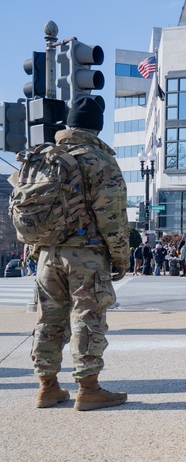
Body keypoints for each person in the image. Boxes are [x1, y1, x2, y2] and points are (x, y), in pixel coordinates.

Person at [30, 95, 130, 411]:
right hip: (84, 253)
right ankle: (88, 389)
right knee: (87, 317)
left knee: (49, 318)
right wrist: (120, 256)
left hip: (47, 252)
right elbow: (111, 216)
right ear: (97, 127)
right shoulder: (99, 160)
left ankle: (47, 387)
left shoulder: (45, 156)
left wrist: (36, 248)